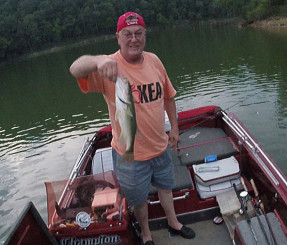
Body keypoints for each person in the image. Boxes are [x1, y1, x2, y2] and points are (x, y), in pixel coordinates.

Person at [69, 12, 195, 245]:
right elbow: (75, 68)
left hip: (160, 147)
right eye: (127, 34)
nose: (134, 39)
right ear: (118, 37)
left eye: (138, 33)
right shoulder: (109, 66)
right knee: (138, 199)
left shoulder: (155, 60)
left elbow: (169, 97)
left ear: (145, 35)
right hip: (130, 154)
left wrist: (174, 129)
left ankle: (173, 222)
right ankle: (146, 235)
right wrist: (98, 61)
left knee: (166, 188)